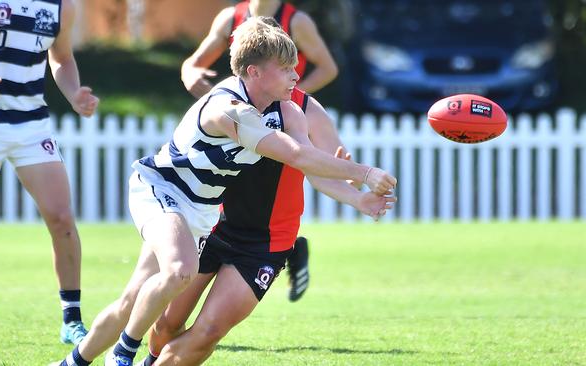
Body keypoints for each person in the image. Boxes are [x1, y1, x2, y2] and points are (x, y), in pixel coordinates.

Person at [53, 16, 395, 366]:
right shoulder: (228, 109)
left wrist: (357, 193)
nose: (296, 75)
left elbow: (307, 160)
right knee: (175, 275)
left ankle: (73, 362)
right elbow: (294, 153)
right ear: (254, 72)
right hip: (164, 188)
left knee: (145, 299)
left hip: (205, 210)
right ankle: (123, 354)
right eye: (286, 68)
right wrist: (365, 172)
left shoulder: (292, 110)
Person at [0, 0, 98, 345]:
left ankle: (72, 320)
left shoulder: (63, 7)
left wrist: (74, 95)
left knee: (62, 218)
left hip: (32, 127)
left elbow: (61, 58)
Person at [182, 0, 341, 302]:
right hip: (241, 118)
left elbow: (328, 67)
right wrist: (193, 78)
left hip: (280, 118)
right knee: (232, 188)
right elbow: (192, 63)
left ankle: (285, 247)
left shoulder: (297, 22)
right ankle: (286, 248)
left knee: (278, 192)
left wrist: (289, 94)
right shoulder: (230, 18)